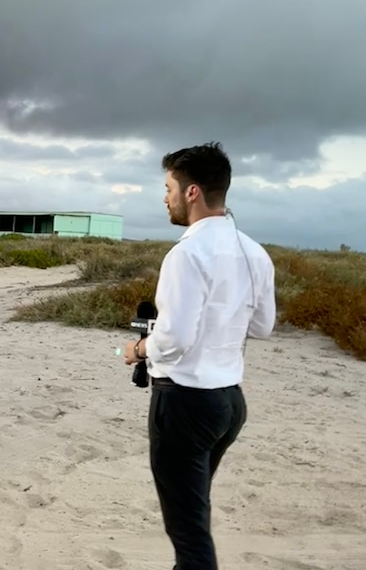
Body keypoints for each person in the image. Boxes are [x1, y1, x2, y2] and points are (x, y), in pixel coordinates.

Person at [122, 142, 276, 569]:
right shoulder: (254, 252)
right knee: (193, 512)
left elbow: (173, 340)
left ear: (192, 192)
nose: (165, 197)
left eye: (169, 187)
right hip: (229, 403)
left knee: (188, 533)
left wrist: (137, 349)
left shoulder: (187, 253)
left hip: (185, 403)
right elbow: (263, 326)